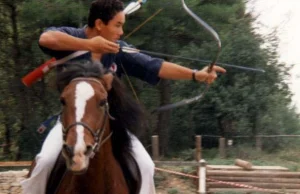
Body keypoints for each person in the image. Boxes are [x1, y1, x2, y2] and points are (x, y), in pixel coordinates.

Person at [21, 0, 226, 194]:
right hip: (72, 123)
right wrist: (90, 45)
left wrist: (195, 74)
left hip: (111, 124)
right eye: (117, 25)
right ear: (100, 24)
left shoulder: (118, 49)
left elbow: (155, 66)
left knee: (146, 166)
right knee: (45, 161)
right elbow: (46, 39)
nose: (121, 31)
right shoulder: (71, 35)